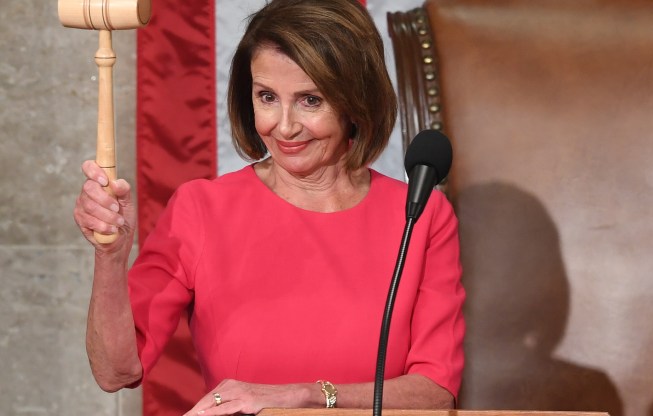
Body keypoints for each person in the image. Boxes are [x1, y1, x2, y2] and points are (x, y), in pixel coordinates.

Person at [72, 0, 466, 414]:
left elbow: (434, 393)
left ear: (356, 99)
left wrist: (303, 396)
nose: (284, 125)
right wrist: (110, 258)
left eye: (310, 100)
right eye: (267, 97)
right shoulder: (202, 208)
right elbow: (115, 373)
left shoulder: (422, 215)